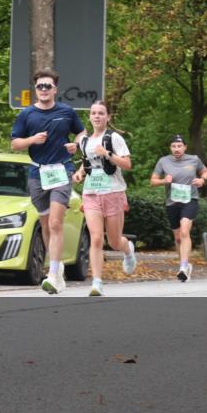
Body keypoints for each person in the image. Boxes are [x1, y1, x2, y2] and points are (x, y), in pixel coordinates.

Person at [11, 70, 87, 294]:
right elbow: (15, 144)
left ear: (55, 89)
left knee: (55, 222)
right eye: (40, 86)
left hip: (62, 170)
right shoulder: (27, 114)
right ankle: (57, 265)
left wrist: (77, 145)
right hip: (38, 174)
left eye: (48, 86)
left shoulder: (66, 111)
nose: (43, 89)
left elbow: (82, 133)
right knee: (45, 225)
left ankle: (52, 274)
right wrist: (32, 140)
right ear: (36, 90)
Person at [72, 100, 136, 296]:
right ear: (89, 116)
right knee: (96, 238)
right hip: (91, 194)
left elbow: (127, 164)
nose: (97, 116)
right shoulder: (84, 141)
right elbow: (88, 162)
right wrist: (79, 173)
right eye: (94, 113)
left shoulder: (114, 138)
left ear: (108, 117)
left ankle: (128, 249)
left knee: (115, 241)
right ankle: (97, 282)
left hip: (113, 193)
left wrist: (107, 153)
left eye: (101, 113)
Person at [150, 135, 207, 282]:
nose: (176, 149)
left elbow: (205, 172)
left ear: (185, 147)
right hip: (172, 202)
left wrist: (202, 180)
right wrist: (164, 180)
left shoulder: (194, 159)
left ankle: (182, 267)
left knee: (184, 231)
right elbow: (153, 180)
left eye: (179, 146)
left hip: (190, 200)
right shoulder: (163, 161)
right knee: (177, 237)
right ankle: (186, 264)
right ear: (170, 148)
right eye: (174, 146)